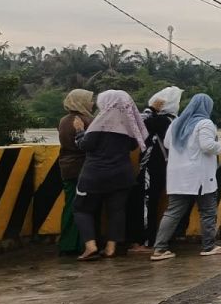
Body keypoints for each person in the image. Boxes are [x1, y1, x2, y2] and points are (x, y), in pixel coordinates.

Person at [151, 94, 221, 260]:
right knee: (207, 211)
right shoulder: (205, 123)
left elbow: (166, 144)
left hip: (178, 176)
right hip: (199, 176)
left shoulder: (176, 123)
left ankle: (160, 248)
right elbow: (207, 145)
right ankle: (209, 246)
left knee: (172, 212)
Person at [74, 90, 148, 261]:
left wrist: (79, 131)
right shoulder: (127, 125)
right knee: (116, 211)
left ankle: (90, 246)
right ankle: (111, 247)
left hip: (94, 175)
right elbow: (132, 146)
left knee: (81, 209)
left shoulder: (99, 123)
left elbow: (85, 145)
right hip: (122, 175)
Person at [125, 87, 182, 255]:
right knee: (149, 202)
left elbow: (135, 122)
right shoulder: (173, 120)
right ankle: (148, 238)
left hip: (152, 167)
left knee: (146, 203)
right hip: (164, 167)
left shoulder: (160, 121)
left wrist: (151, 109)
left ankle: (146, 241)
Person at [56, 89, 94, 255]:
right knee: (83, 208)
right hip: (83, 168)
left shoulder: (64, 120)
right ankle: (78, 244)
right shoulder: (86, 120)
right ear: (81, 102)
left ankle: (67, 243)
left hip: (67, 167)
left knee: (71, 205)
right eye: (89, 100)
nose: (92, 103)